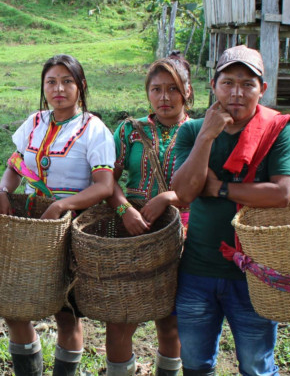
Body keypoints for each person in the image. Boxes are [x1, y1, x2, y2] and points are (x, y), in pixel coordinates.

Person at [170, 45, 290, 376]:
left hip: (255, 272)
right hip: (198, 268)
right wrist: (206, 137)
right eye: (228, 83)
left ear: (263, 90)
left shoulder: (279, 132)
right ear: (213, 86)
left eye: (247, 84)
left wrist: (219, 188)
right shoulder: (190, 130)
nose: (236, 93)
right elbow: (184, 192)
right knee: (196, 364)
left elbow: (281, 194)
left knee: (256, 366)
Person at [0, 54, 116, 376]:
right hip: (31, 227)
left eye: (66, 81)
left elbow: (104, 186)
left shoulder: (94, 129)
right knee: (16, 306)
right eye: (51, 82)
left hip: (72, 229)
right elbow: (14, 165)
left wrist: (62, 205)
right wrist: (4, 192)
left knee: (66, 312)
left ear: (81, 86)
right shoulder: (34, 122)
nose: (58, 89)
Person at [104, 54, 194, 376]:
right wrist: (124, 208)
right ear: (147, 93)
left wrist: (168, 197)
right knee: (120, 319)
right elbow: (106, 179)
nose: (164, 97)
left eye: (173, 89)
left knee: (170, 322)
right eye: (156, 89)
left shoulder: (200, 134)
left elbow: (204, 185)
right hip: (131, 234)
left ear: (187, 91)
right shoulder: (130, 131)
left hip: (182, 237)